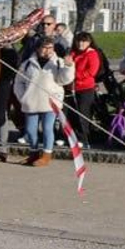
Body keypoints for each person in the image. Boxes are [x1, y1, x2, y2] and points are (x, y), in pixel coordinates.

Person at [12, 36, 75, 166]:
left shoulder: (58, 62)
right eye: (44, 48)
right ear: (38, 48)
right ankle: (33, 153)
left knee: (47, 128)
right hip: (31, 102)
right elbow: (18, 82)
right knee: (30, 130)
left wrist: (68, 67)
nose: (48, 51)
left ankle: (46, 155)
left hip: (50, 102)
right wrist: (23, 97)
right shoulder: (27, 63)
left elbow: (64, 80)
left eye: (50, 48)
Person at [67, 31, 104, 147]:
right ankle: (72, 136)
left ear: (89, 42)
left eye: (84, 41)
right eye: (78, 41)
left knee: (83, 113)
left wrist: (74, 74)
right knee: (71, 113)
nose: (80, 44)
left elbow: (91, 72)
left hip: (85, 88)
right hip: (72, 87)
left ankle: (84, 138)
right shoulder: (73, 53)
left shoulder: (92, 54)